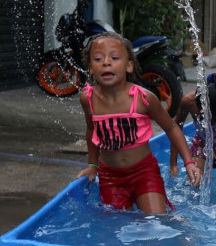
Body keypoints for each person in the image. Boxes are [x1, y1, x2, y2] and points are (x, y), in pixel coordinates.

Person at [76, 32, 201, 214]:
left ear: (128, 66)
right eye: (98, 58)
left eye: (114, 57)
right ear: (90, 68)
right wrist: (92, 165)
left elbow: (171, 127)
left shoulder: (143, 98)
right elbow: (91, 131)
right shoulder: (88, 99)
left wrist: (189, 162)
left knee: (157, 220)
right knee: (119, 227)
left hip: (144, 172)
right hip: (110, 176)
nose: (106, 62)